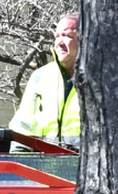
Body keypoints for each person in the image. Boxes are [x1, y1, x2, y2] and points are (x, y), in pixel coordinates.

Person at [9, 13, 81, 150]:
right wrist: (22, 164)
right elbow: (24, 128)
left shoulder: (102, 79)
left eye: (67, 36)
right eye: (57, 36)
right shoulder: (41, 76)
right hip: (45, 166)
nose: (59, 43)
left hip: (88, 166)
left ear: (85, 39)